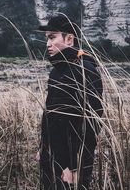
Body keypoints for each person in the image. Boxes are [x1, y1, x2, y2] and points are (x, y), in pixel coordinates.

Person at [38, 15, 103, 190]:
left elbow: (92, 122)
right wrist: (44, 148)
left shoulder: (85, 70)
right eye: (47, 39)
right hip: (53, 156)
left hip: (70, 163)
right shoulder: (57, 71)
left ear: (69, 39)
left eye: (52, 37)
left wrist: (74, 166)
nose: (47, 44)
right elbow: (50, 115)